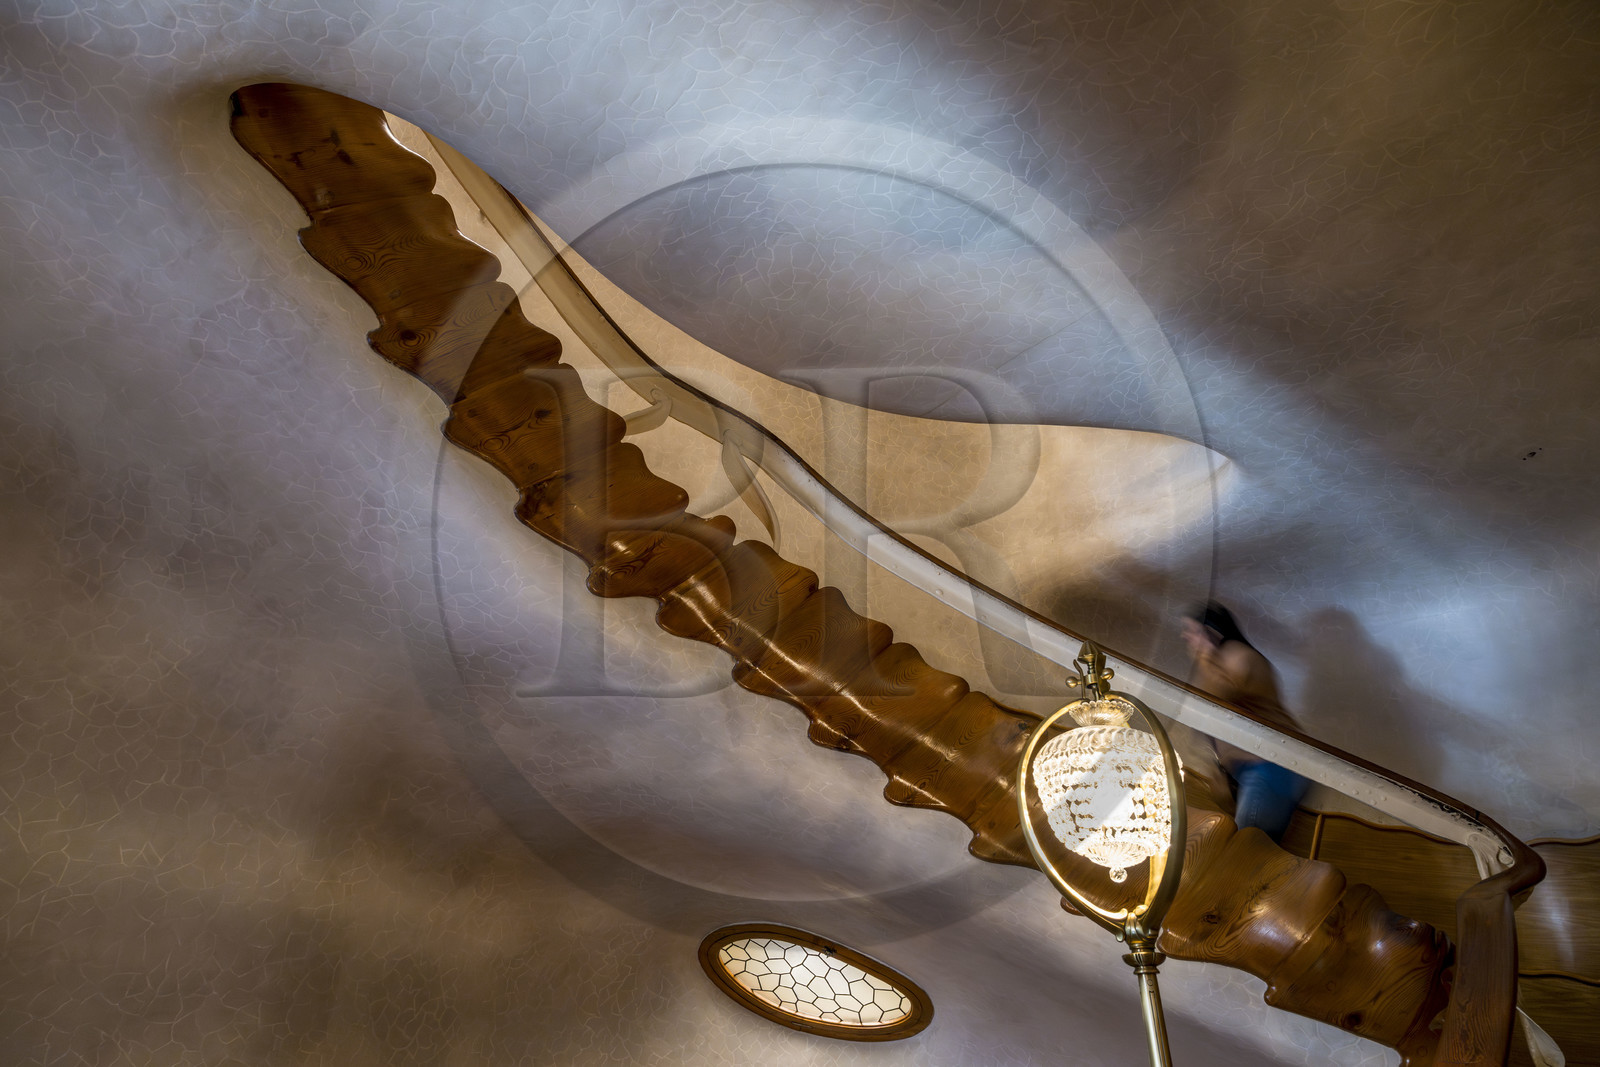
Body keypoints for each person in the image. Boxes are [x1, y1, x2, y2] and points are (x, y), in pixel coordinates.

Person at [1182, 602, 1308, 841]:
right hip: (1252, 767)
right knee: (1248, 847)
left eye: (1191, 630)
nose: (1184, 636)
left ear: (1211, 632)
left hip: (1271, 764)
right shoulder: (1218, 662)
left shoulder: (1238, 655)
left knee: (1246, 848)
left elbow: (1216, 699)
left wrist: (1207, 656)